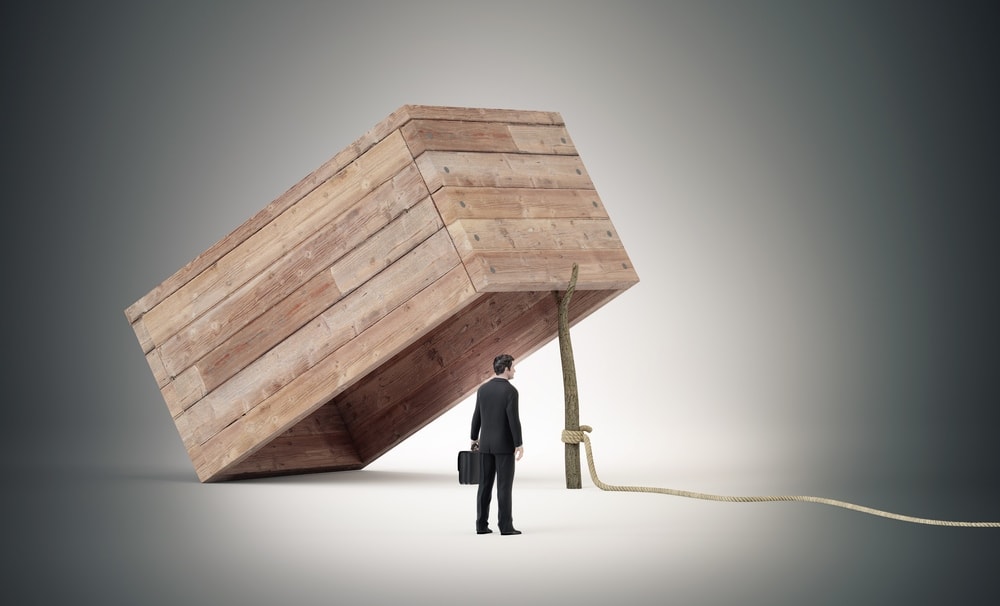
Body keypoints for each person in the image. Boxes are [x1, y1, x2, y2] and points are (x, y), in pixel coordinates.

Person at [470, 354, 524, 535]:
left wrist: (473, 438)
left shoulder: (483, 389)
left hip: (485, 444)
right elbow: (513, 420)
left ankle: (481, 525)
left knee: (484, 485)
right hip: (504, 446)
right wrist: (519, 443)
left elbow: (476, 415)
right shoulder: (511, 391)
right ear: (507, 368)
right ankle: (506, 526)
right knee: (504, 486)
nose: (515, 370)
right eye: (513, 367)